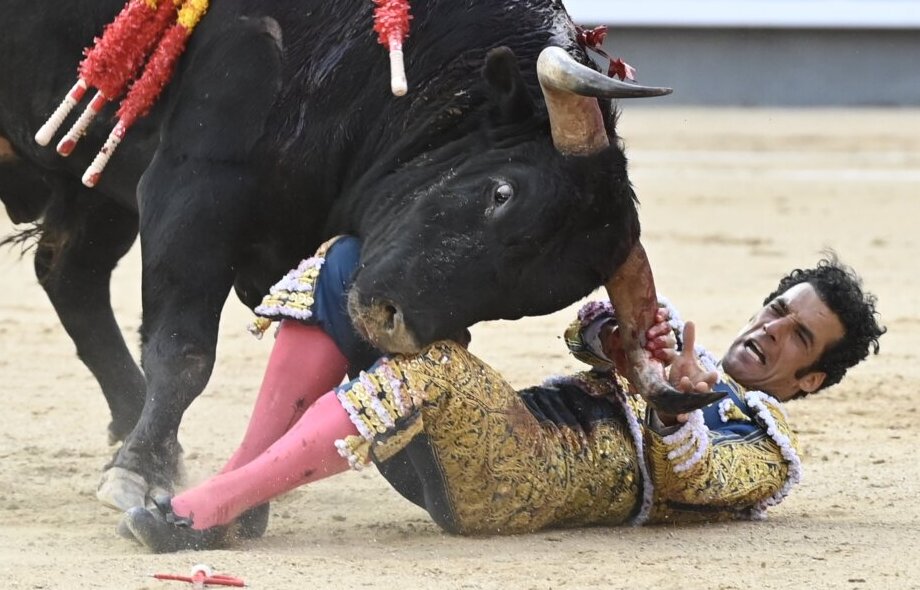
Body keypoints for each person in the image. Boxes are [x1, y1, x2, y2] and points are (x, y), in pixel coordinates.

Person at [120, 236, 885, 552]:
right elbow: (579, 335)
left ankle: (203, 512)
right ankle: (238, 491)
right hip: (470, 446)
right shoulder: (687, 356)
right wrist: (624, 335)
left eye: (799, 339)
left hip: (516, 483)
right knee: (355, 269)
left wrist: (671, 400)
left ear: (809, 380)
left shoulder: (768, 452)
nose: (772, 331)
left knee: (439, 370)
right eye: (779, 311)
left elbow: (695, 479)